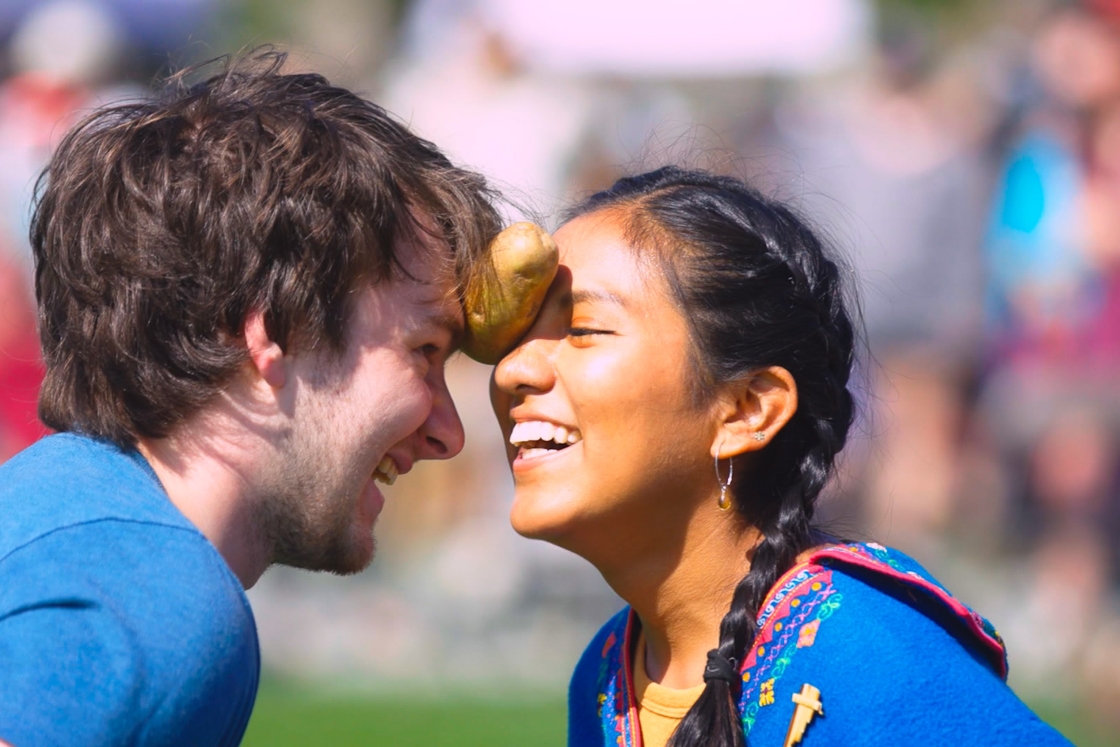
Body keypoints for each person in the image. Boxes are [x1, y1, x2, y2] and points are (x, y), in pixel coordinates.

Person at [0, 51, 500, 746]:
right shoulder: (159, 605)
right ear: (275, 329)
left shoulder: (59, 513)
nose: (449, 432)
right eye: (423, 350)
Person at [490, 167, 1073, 747]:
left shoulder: (871, 658)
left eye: (584, 328)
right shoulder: (605, 675)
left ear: (747, 410)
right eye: (521, 335)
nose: (514, 369)